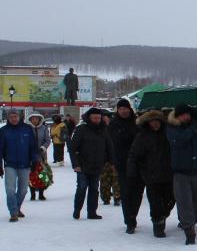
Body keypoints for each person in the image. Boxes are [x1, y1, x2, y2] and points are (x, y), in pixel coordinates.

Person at [166, 103, 197, 245]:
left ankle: (190, 221)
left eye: (187, 114)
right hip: (181, 173)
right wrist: (194, 128)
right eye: (181, 115)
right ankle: (189, 231)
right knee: (185, 203)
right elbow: (179, 140)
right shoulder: (172, 128)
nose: (185, 117)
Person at [126, 109, 174, 237]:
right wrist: (133, 172)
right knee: (155, 203)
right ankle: (158, 225)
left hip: (168, 174)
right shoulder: (143, 136)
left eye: (157, 121)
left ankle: (162, 216)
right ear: (148, 123)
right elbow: (134, 155)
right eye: (152, 122)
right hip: (151, 175)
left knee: (170, 200)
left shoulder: (167, 133)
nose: (155, 124)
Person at [0, 109, 41, 221]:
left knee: (23, 190)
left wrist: (35, 161)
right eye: (11, 117)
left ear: (19, 117)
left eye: (15, 116)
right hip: (10, 164)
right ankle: (13, 212)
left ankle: (17, 207)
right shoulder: (4, 131)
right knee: (10, 190)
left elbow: (33, 147)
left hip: (25, 164)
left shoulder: (27, 129)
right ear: (8, 118)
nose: (13, 119)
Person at [68, 107, 115, 220]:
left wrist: (112, 161)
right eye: (94, 118)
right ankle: (77, 210)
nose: (97, 120)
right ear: (89, 117)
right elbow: (72, 148)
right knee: (82, 187)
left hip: (98, 165)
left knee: (94, 189)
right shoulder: (81, 129)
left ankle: (92, 212)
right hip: (82, 165)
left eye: (99, 118)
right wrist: (76, 164)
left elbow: (109, 147)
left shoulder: (104, 130)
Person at [107, 98, 144, 231]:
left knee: (138, 192)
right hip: (123, 163)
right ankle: (130, 220)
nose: (123, 111)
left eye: (125, 108)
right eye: (121, 109)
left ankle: (132, 215)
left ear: (129, 109)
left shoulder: (137, 122)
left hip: (139, 163)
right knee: (127, 192)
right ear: (118, 110)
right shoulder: (114, 124)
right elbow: (114, 143)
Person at [27, 112, 52, 201]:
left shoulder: (44, 128)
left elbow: (48, 140)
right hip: (29, 156)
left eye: (36, 119)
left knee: (42, 174)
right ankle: (32, 193)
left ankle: (41, 193)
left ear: (39, 119)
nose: (34, 120)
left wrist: (42, 148)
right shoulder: (27, 129)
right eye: (33, 119)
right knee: (31, 175)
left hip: (41, 156)